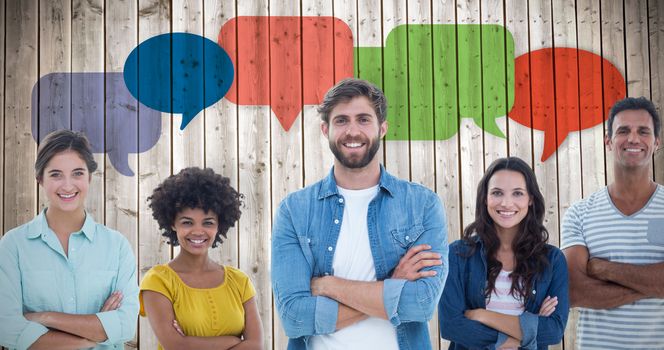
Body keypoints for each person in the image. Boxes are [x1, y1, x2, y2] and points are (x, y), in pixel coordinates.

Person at [271, 78, 449, 350]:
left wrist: (327, 285)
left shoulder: (421, 205)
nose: (352, 131)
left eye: (364, 119)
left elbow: (421, 304)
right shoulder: (295, 211)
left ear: (382, 129)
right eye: (341, 120)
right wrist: (393, 285)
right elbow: (295, 318)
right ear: (325, 130)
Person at [0, 129, 139, 349]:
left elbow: (124, 325)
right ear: (40, 180)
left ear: (90, 177)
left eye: (77, 173)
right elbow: (7, 328)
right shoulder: (13, 246)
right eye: (55, 174)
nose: (67, 185)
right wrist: (90, 337)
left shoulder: (117, 246)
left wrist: (45, 317)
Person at [561, 96, 664, 349]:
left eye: (643, 131)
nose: (633, 139)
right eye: (623, 131)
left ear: (656, 142)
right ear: (608, 141)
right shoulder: (580, 213)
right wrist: (654, 285)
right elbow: (574, 291)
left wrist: (603, 269)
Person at [439, 157, 569, 350]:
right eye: (497, 193)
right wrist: (521, 336)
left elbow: (554, 330)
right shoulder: (458, 255)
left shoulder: (552, 260)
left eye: (517, 193)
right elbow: (452, 326)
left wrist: (483, 315)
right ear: (485, 198)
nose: (507, 203)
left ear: (530, 199)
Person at [140, 167, 263, 350]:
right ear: (173, 223)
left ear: (219, 224)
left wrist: (192, 343)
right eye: (187, 222)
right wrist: (233, 342)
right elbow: (176, 345)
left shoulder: (239, 281)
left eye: (208, 223)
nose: (198, 231)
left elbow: (255, 346)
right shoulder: (158, 280)